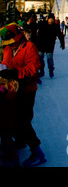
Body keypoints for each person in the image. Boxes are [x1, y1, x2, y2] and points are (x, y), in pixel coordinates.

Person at [0, 23, 45, 167]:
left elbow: (33, 68)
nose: (11, 45)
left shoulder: (30, 47)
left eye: (13, 43)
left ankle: (37, 151)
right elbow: (6, 63)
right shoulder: (7, 49)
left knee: (23, 121)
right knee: (12, 119)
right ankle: (18, 143)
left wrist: (16, 73)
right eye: (9, 44)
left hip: (27, 91)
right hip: (13, 91)